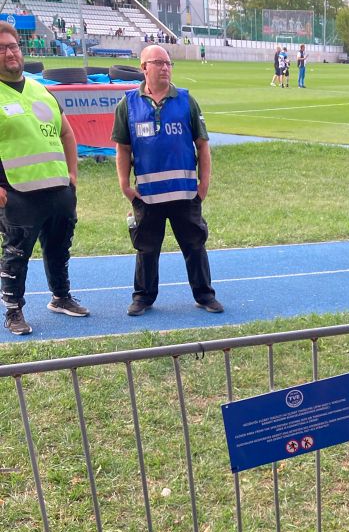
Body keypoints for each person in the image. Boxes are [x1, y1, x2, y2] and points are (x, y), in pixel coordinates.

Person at [111, 44, 222, 317]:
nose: (164, 67)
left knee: (195, 245)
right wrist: (124, 185)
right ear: (143, 68)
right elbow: (123, 148)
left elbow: (202, 145)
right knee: (146, 249)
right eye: (158, 62)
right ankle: (143, 297)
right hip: (147, 196)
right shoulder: (128, 104)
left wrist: (204, 184)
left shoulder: (186, 100)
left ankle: (204, 295)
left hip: (185, 194)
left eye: (168, 63)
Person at [0, 21, 88, 336]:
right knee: (16, 253)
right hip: (17, 190)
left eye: (13, 46)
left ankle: (61, 297)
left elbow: (66, 132)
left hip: (58, 188)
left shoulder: (41, 90)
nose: (10, 52)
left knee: (59, 248)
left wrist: (72, 174)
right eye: (1, 48)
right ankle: (13, 310)